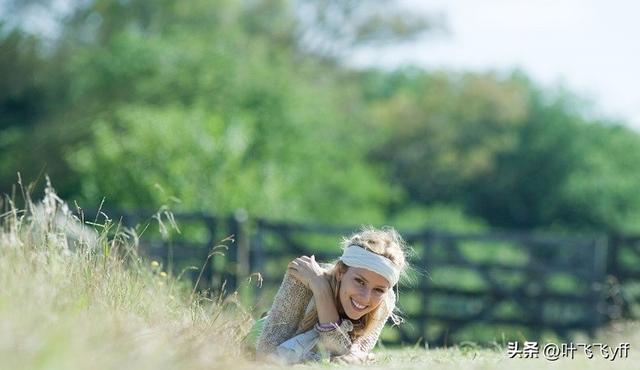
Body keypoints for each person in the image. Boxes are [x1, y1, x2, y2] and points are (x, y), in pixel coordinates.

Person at [254, 226, 408, 364]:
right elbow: (265, 355)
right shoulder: (304, 280)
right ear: (341, 271)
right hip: (255, 337)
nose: (366, 297)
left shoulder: (385, 301)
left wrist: (349, 355)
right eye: (360, 281)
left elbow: (349, 354)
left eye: (379, 290)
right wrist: (321, 288)